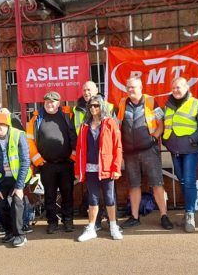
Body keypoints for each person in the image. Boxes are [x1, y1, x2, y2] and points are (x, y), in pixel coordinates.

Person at [118, 77, 173, 230]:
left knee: (157, 183)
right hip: (130, 153)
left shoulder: (151, 101)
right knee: (134, 185)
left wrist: (153, 138)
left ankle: (164, 216)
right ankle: (135, 217)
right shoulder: (122, 103)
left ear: (141, 87)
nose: (130, 90)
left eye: (133, 87)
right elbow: (118, 125)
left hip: (149, 150)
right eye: (128, 87)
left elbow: (162, 124)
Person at [26, 91, 78, 234]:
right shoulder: (37, 118)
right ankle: (52, 222)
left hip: (66, 163)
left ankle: (68, 221)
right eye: (47, 101)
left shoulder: (68, 116)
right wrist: (38, 160)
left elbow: (75, 137)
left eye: (53, 102)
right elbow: (29, 140)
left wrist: (73, 157)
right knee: (49, 195)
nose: (50, 104)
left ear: (58, 103)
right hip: (46, 165)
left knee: (67, 193)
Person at [162, 77, 198, 233]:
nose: (175, 90)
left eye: (178, 87)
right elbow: (166, 125)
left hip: (190, 150)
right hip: (175, 150)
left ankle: (190, 214)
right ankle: (188, 212)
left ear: (186, 87)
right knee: (182, 181)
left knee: (189, 181)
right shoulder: (167, 106)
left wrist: (192, 139)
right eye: (173, 87)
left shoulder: (196, 103)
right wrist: (165, 141)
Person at [74, 95, 124, 241]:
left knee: (109, 197)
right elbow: (79, 148)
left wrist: (116, 167)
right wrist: (78, 170)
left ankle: (113, 226)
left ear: (101, 106)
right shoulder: (84, 125)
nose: (93, 108)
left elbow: (117, 146)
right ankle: (91, 228)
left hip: (107, 167)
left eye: (96, 105)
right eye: (90, 106)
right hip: (90, 168)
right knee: (93, 197)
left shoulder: (110, 123)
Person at [0, 113, 32, 247]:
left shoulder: (18, 135)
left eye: (0, 124)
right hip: (3, 178)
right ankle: (9, 232)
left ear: (7, 125)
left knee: (16, 201)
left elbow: (25, 162)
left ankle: (20, 235)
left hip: (19, 177)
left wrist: (19, 187)